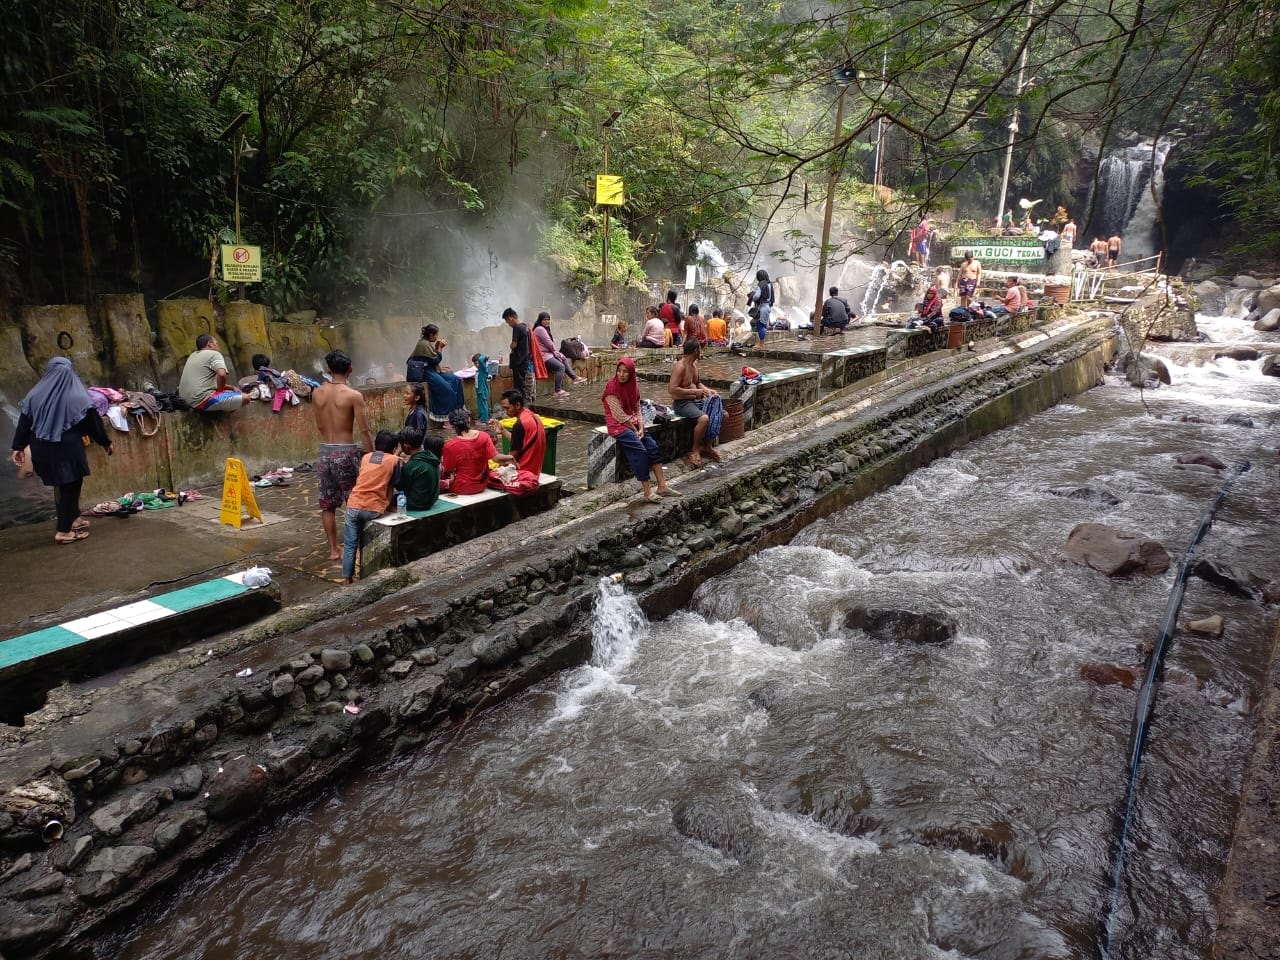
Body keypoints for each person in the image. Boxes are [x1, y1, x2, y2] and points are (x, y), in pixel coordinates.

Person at [10, 357, 113, 545]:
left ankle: (74, 519)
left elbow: (24, 424)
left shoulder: (34, 394)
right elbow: (93, 423)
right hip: (67, 449)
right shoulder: (78, 396)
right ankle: (63, 532)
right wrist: (105, 442)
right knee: (71, 488)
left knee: (65, 486)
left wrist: (18, 447)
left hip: (41, 447)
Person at [312, 349, 373, 562]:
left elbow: (319, 424)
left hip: (324, 451)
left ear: (329, 370)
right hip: (345, 451)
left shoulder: (317, 393)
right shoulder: (353, 395)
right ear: (350, 370)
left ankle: (333, 550)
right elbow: (364, 430)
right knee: (354, 501)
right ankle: (353, 548)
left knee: (328, 504)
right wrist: (372, 455)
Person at [603, 358, 679, 502]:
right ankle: (647, 491)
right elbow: (618, 415)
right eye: (619, 371)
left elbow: (637, 408)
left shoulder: (633, 387)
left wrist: (641, 428)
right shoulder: (611, 388)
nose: (621, 374)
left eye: (625, 372)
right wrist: (634, 429)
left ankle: (662, 487)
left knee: (653, 447)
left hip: (634, 423)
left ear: (631, 373)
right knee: (640, 451)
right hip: (618, 426)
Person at [341, 429, 402, 584]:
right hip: (373, 508)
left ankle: (347, 579)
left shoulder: (367, 457)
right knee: (364, 539)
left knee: (350, 544)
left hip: (353, 504)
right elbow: (390, 487)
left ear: (376, 444)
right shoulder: (395, 461)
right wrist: (387, 506)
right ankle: (367, 573)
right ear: (394, 448)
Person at [668, 340, 721, 467]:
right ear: (696, 351)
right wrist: (695, 392)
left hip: (695, 400)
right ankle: (695, 449)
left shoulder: (694, 365)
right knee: (703, 419)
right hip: (682, 403)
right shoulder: (680, 367)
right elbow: (672, 390)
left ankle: (707, 446)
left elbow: (698, 383)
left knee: (721, 414)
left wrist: (708, 391)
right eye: (700, 350)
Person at [489, 389, 546, 490]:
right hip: (534, 470)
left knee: (486, 476)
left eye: (507, 408)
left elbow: (511, 459)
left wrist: (494, 461)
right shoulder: (533, 416)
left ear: (517, 405)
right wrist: (503, 430)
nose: (506, 412)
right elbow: (523, 442)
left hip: (523, 473)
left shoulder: (519, 425)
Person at [408, 324, 465, 423]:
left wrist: (437, 347)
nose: (437, 337)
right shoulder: (423, 344)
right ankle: (447, 417)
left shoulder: (427, 343)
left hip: (432, 369)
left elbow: (431, 359)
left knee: (455, 379)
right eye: (436, 335)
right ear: (430, 335)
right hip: (425, 372)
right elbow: (435, 360)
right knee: (447, 389)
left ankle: (459, 411)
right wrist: (440, 348)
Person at [178, 334, 246, 411]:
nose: (218, 346)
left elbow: (211, 384)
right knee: (246, 397)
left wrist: (232, 387)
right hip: (200, 400)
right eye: (216, 343)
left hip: (185, 402)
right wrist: (220, 392)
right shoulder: (214, 354)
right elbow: (222, 374)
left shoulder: (192, 356)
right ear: (209, 344)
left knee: (230, 394)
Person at [440, 407, 496, 494]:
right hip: (482, 485)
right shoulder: (484, 436)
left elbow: (447, 470)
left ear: (451, 425)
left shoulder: (449, 446)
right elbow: (494, 456)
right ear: (469, 420)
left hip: (461, 487)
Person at [532, 312, 583, 398]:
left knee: (563, 357)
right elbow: (549, 343)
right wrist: (555, 352)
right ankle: (557, 390)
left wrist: (556, 353)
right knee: (560, 367)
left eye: (548, 320)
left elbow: (549, 344)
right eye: (545, 320)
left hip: (547, 353)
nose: (547, 321)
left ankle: (574, 378)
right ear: (540, 320)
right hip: (542, 356)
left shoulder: (543, 328)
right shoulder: (540, 329)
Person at [396, 425, 440, 512]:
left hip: (418, 503)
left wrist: (399, 469)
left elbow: (401, 487)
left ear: (406, 446)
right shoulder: (431, 457)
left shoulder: (412, 464)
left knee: (389, 498)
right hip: (432, 500)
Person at [503, 307, 536, 405]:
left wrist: (511, 347)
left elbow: (514, 344)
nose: (508, 324)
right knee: (524, 386)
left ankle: (522, 407)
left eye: (507, 322)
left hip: (518, 362)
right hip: (525, 361)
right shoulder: (525, 326)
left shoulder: (517, 328)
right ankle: (527, 406)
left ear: (510, 318)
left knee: (519, 387)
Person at [747, 269, 774, 345]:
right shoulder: (770, 284)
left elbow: (756, 297)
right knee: (763, 325)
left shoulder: (760, 284)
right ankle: (761, 343)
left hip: (762, 307)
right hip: (768, 306)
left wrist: (752, 295)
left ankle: (761, 344)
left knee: (761, 325)